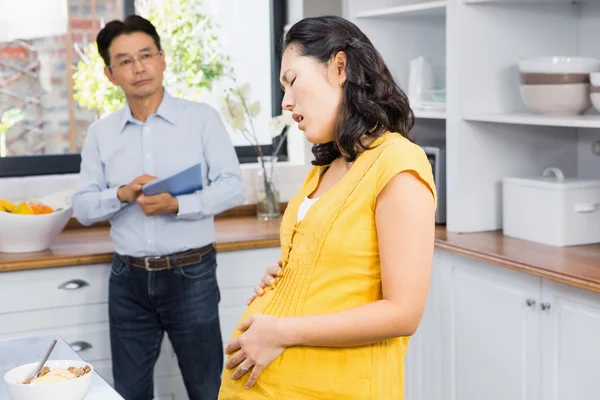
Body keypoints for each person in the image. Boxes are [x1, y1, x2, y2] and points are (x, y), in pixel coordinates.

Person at [217, 15, 437, 400]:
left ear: (339, 67)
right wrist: (286, 278)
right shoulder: (327, 166)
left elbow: (404, 313)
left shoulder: (398, 164)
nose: (285, 101)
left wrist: (281, 331)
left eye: (292, 80)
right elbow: (334, 269)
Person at [71, 15, 246, 400]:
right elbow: (82, 208)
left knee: (207, 389)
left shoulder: (201, 119)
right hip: (127, 280)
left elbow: (234, 188)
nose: (139, 68)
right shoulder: (101, 134)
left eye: (146, 55)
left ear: (163, 59)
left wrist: (177, 204)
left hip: (191, 275)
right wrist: (122, 193)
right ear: (110, 74)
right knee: (129, 392)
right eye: (125, 61)